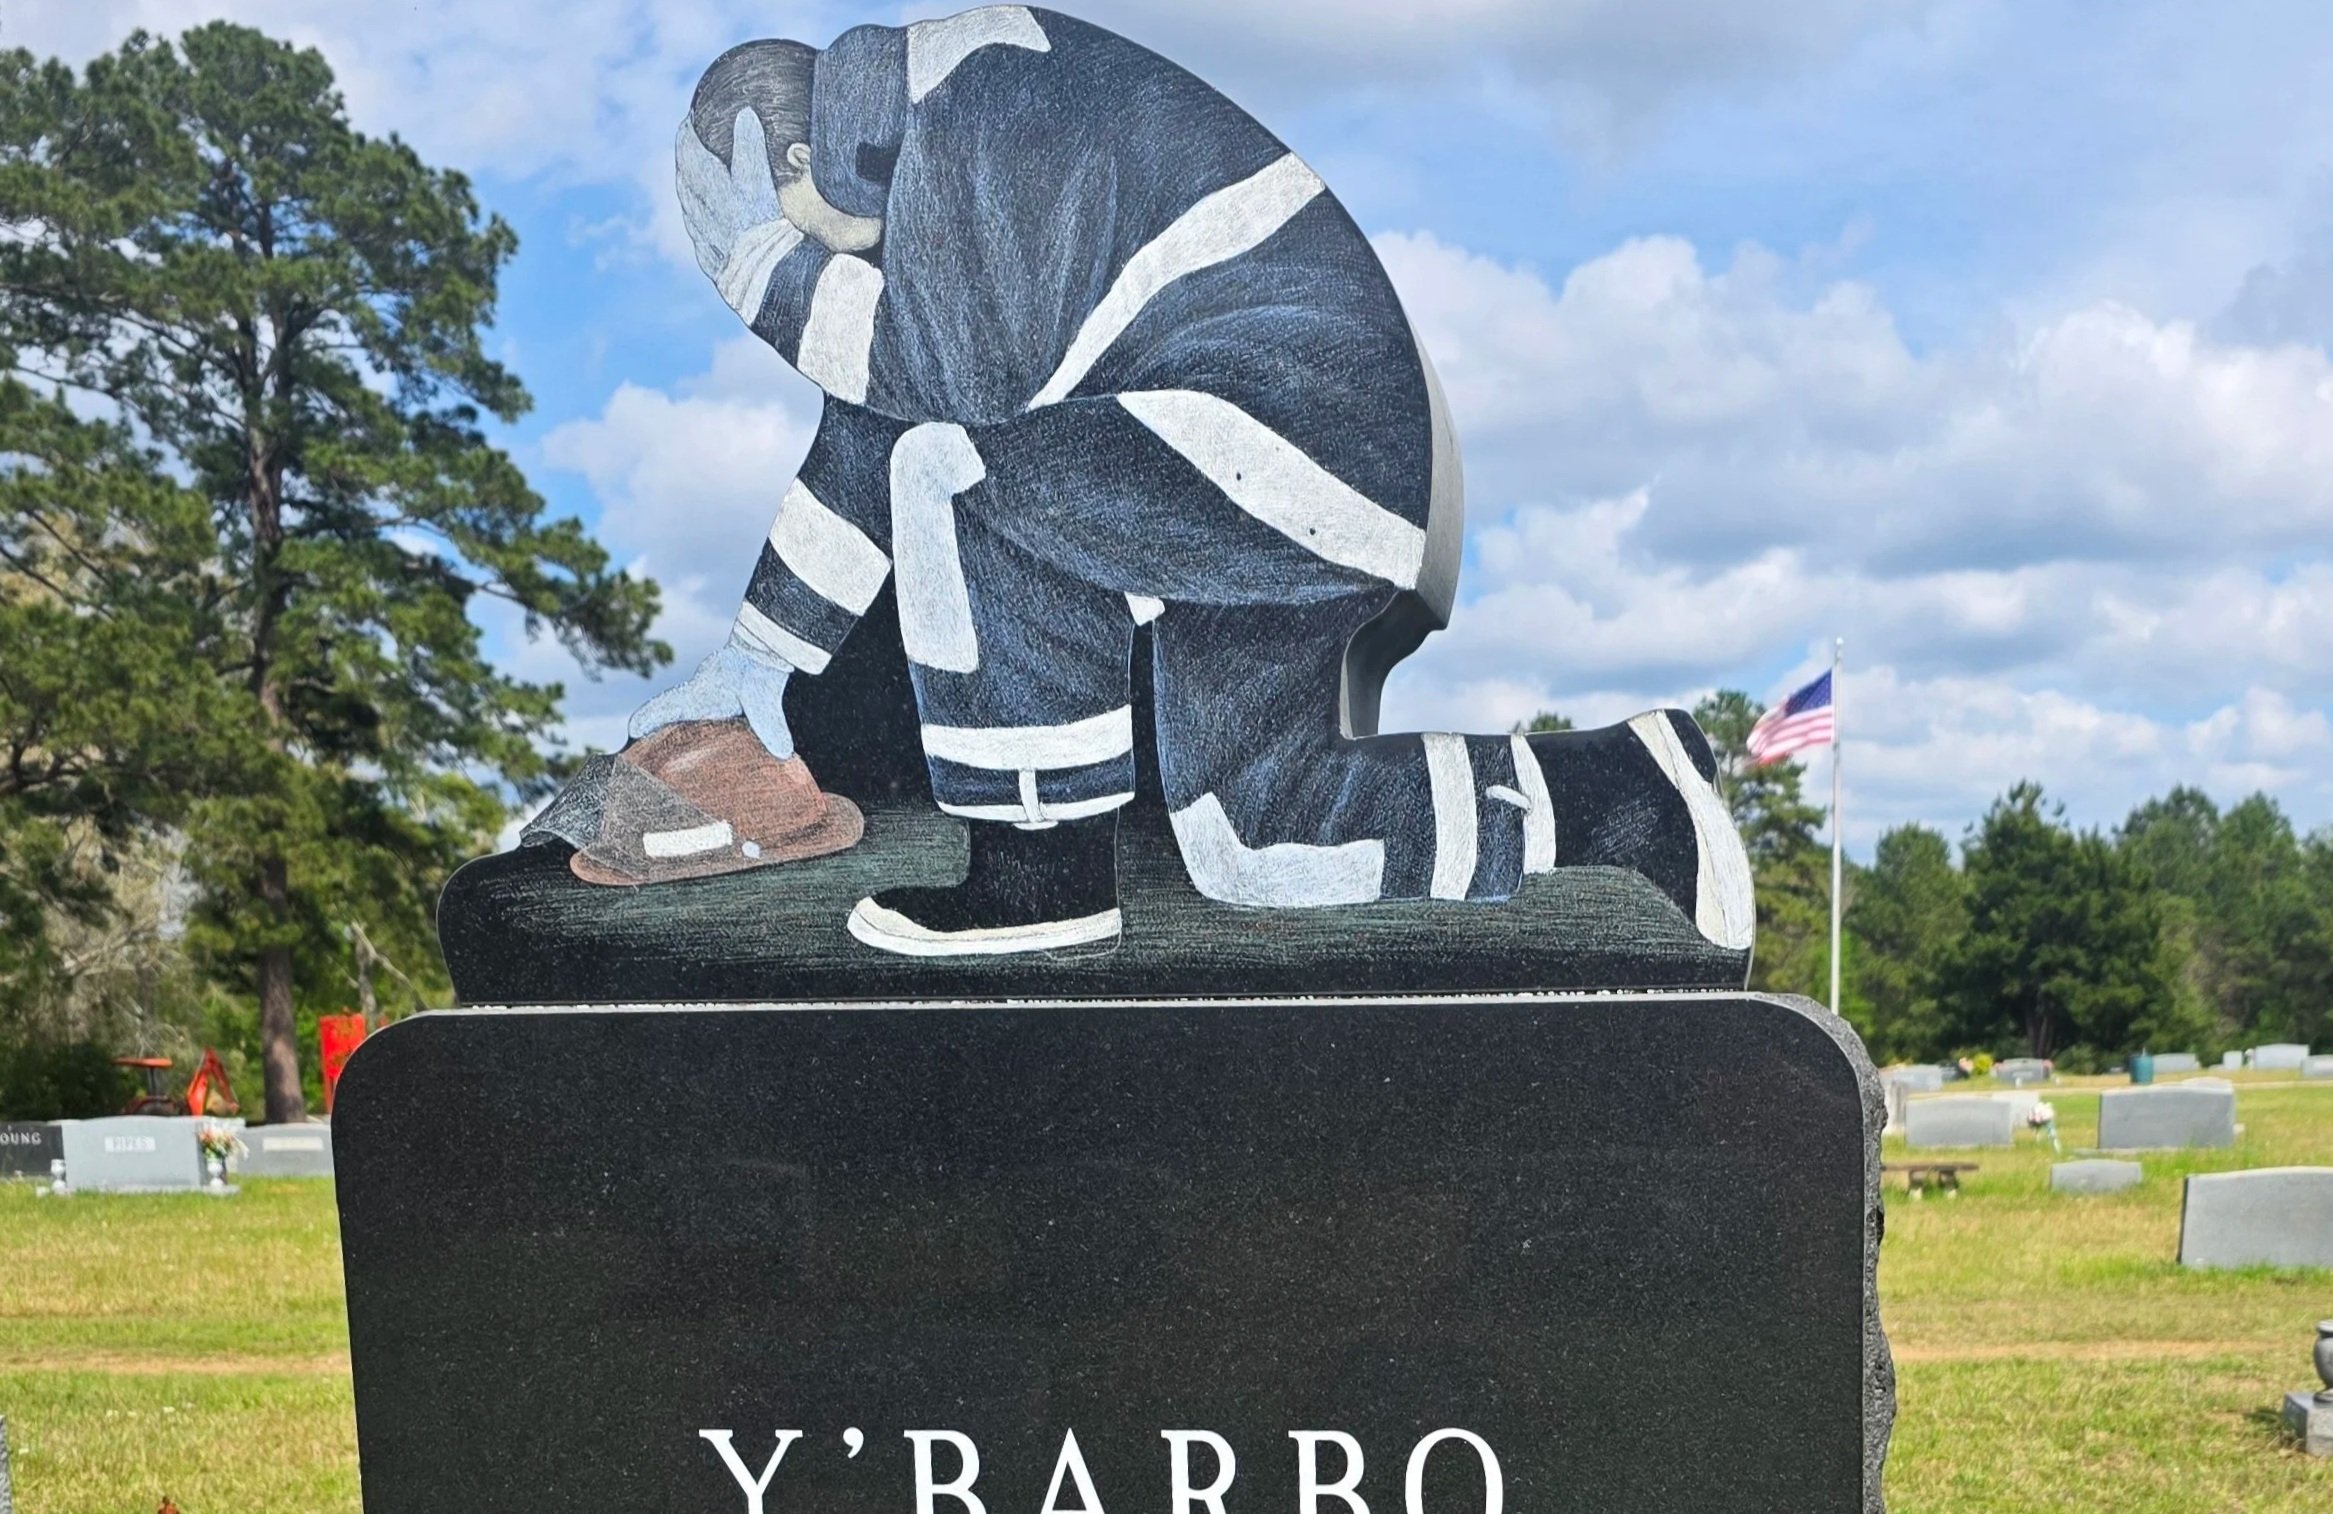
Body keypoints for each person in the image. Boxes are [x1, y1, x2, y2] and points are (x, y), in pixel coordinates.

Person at [600, 8, 1753, 963]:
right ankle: (1620, 795)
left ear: (798, 165)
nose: (807, 273)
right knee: (1256, 844)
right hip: (1259, 470)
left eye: (781, 236)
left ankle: (1039, 874)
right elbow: (877, 418)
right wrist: (758, 658)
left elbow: (956, 388)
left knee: (958, 476)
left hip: (1286, 424)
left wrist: (771, 281)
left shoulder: (971, 91)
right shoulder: (932, 189)